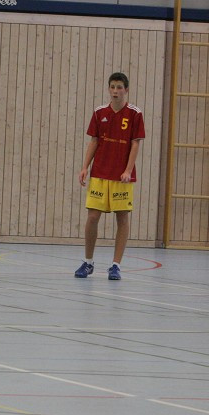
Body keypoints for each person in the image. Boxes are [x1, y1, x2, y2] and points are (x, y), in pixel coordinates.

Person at [74, 72, 146, 281]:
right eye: (112, 87)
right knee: (93, 216)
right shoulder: (99, 112)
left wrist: (128, 170)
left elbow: (135, 143)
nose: (115, 91)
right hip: (100, 173)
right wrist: (85, 167)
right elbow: (94, 141)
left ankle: (115, 265)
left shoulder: (135, 114)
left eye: (119, 87)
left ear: (126, 90)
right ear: (109, 89)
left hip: (121, 177)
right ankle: (88, 262)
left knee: (122, 217)